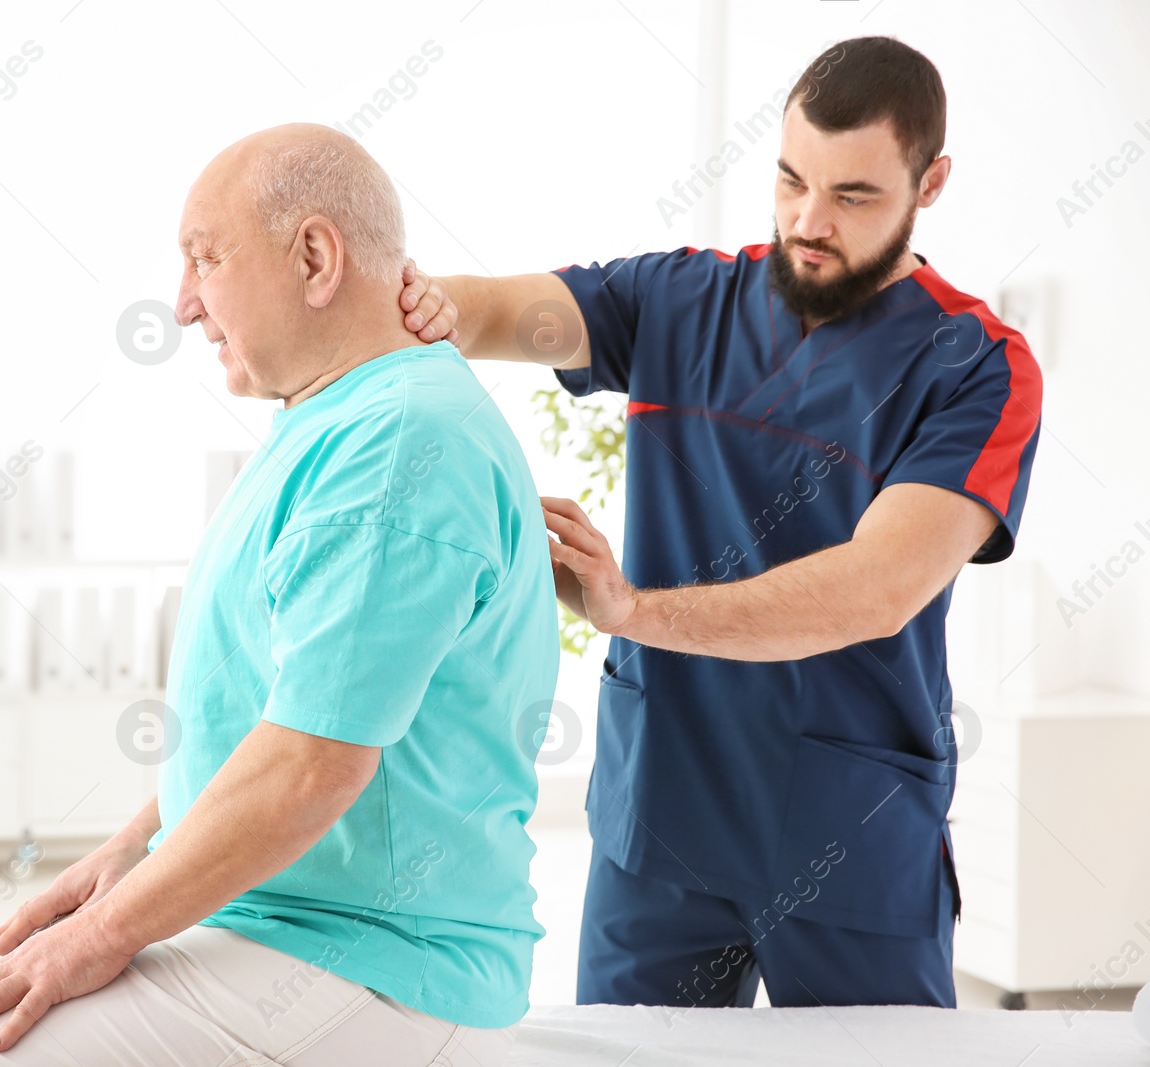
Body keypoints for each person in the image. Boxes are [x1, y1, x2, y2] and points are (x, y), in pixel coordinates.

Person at [0, 123, 558, 1066]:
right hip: (297, 920)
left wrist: (103, 934)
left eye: (205, 259)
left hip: (377, 964)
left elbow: (309, 766)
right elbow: (276, 710)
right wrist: (132, 851)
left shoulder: (396, 444)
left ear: (315, 256)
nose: (182, 305)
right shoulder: (341, 419)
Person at [398, 35, 1041, 1010]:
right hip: (659, 820)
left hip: (848, 841)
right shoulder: (679, 301)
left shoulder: (974, 365)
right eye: (789, 180)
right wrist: (397, 301)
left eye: (852, 196)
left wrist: (629, 608)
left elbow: (878, 588)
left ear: (931, 181)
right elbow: (490, 312)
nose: (807, 222)